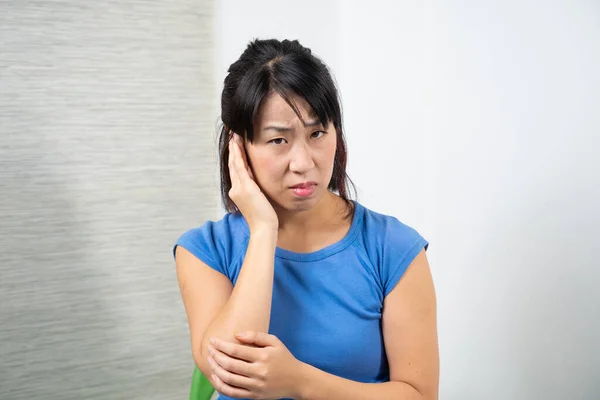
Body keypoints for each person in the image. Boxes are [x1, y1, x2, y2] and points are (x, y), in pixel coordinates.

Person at [173, 38, 439, 400]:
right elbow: (231, 373)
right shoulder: (205, 250)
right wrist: (264, 230)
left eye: (316, 134)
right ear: (239, 146)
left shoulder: (393, 248)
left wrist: (298, 381)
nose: (303, 162)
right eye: (278, 140)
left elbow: (419, 395)